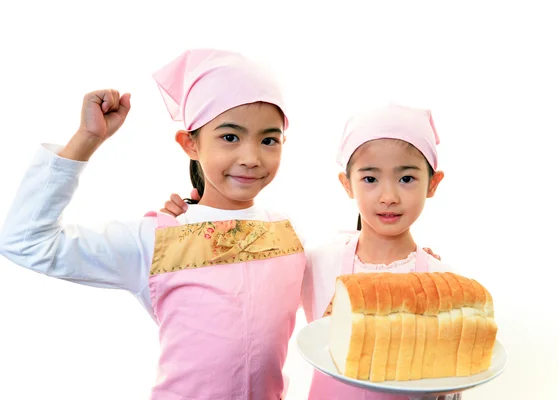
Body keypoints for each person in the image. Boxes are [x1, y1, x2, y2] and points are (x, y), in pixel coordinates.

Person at [0, 49, 306, 400]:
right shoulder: (158, 238)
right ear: (190, 143)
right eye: (230, 137)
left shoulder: (288, 236)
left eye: (269, 140)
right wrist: (87, 139)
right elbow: (25, 242)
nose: (251, 158)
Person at [162, 104, 460, 399]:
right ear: (347, 184)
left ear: (433, 183)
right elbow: (245, 295)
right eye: (370, 178)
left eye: (406, 179)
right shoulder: (317, 263)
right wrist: (195, 220)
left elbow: (456, 375)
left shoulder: (441, 281)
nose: (388, 197)